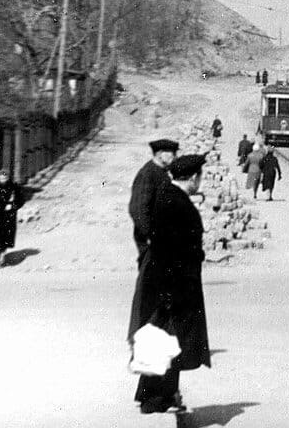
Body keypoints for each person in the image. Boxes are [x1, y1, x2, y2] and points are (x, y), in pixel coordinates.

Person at [128, 153, 211, 415]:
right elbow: (171, 251)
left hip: (168, 285)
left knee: (165, 343)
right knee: (168, 343)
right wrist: (170, 294)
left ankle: (157, 396)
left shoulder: (169, 197)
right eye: (201, 176)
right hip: (174, 287)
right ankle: (157, 399)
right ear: (194, 177)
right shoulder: (177, 203)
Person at [129, 138, 179, 266]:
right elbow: (138, 208)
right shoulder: (148, 174)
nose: (175, 157)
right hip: (152, 238)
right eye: (172, 153)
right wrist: (150, 234)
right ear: (160, 154)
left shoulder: (161, 172)